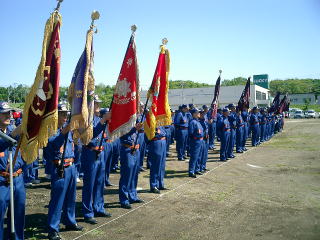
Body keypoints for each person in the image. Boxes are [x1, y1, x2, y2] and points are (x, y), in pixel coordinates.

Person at [46, 104, 84, 240]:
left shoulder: (67, 129)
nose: (65, 117)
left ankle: (70, 221)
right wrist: (66, 130)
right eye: (62, 114)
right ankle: (52, 228)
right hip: (59, 169)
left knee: (70, 197)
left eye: (66, 114)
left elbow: (75, 147)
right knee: (57, 200)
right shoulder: (50, 130)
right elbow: (54, 143)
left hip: (71, 167)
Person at [81, 95, 112, 224]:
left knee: (100, 182)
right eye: (96, 104)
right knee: (89, 184)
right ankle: (88, 212)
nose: (98, 107)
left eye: (98, 104)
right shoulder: (85, 120)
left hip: (100, 154)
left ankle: (98, 207)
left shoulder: (99, 119)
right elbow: (90, 134)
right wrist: (103, 121)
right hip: (90, 154)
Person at [0, 102, 25, 240]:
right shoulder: (12, 132)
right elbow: (5, 142)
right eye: (4, 113)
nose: (8, 115)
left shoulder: (12, 128)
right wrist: (16, 132)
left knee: (18, 214)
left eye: (9, 112)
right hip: (2, 180)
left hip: (17, 178)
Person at [119, 122, 144, 209]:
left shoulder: (135, 120)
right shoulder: (123, 120)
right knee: (127, 174)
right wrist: (134, 128)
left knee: (134, 174)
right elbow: (121, 132)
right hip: (127, 149)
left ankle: (133, 196)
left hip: (136, 149)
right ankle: (124, 199)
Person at [147, 126, 167, 193]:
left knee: (162, 165)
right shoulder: (151, 120)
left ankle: (160, 184)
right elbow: (147, 135)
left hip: (163, 141)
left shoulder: (160, 121)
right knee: (156, 165)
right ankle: (154, 185)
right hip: (156, 142)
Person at [188, 108, 204, 178]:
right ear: (194, 114)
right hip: (195, 141)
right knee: (194, 156)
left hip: (200, 140)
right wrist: (194, 140)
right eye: (198, 112)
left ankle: (196, 169)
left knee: (199, 156)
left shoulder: (198, 121)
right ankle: (191, 171)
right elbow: (190, 133)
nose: (199, 114)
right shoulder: (192, 122)